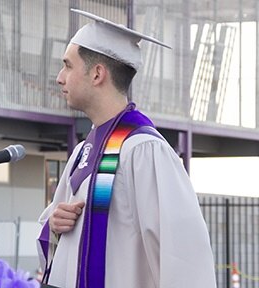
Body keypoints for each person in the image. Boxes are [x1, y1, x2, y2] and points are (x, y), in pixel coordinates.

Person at [37, 9, 216, 288]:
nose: (60, 77)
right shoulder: (82, 152)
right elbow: (56, 240)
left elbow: (182, 256)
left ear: (97, 74)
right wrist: (54, 225)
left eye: (68, 66)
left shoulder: (144, 151)